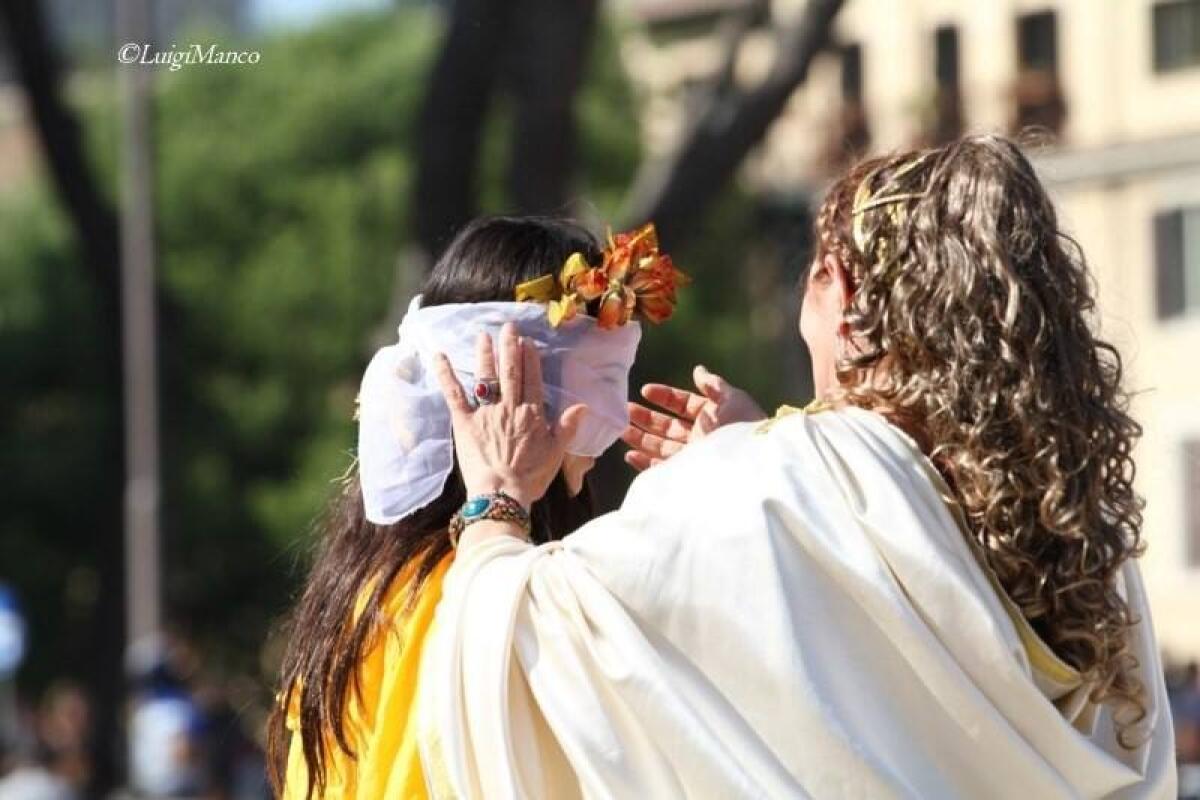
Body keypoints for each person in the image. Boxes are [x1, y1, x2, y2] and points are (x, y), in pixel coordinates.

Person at [419, 135, 1177, 798]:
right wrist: (748, 455)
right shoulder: (1083, 526)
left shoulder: (777, 480)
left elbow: (538, 650)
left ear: (842, 296)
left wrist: (496, 502)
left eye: (812, 277)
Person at [266, 216, 686, 798]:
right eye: (593, 383)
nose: (613, 421)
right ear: (513, 392)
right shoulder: (451, 593)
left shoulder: (380, 581)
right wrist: (502, 506)